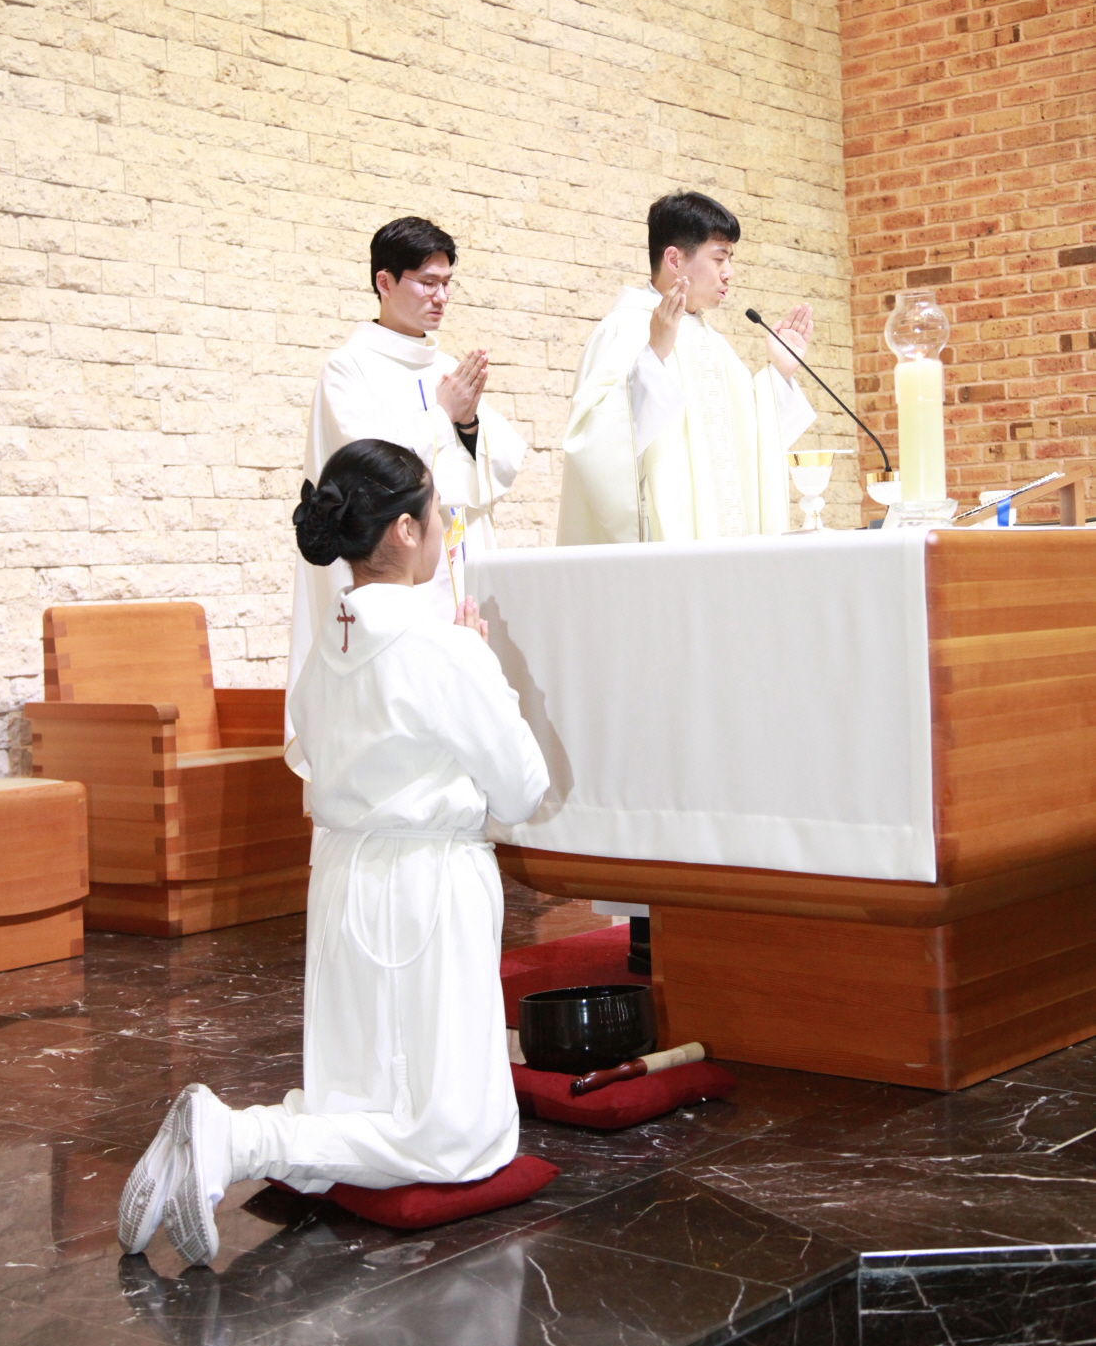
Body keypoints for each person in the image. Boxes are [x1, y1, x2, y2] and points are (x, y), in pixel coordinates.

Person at [118, 440, 548, 1268]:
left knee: (359, 1092)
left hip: (344, 877)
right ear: (404, 530)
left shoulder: (327, 647)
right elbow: (523, 788)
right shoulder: (440, 647)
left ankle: (219, 1145)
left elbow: (316, 752)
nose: (441, 530)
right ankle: (234, 1137)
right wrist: (482, 665)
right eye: (436, 514)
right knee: (456, 1138)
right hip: (425, 885)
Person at [287, 216, 527, 746]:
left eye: (447, 283)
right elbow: (366, 469)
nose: (441, 296)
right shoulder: (348, 370)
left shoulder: (446, 368)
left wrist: (468, 423)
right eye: (427, 282)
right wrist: (442, 416)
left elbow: (505, 462)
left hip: (455, 558)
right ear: (385, 282)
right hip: (393, 568)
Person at [557, 191, 818, 545]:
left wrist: (780, 373)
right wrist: (654, 356)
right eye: (719, 258)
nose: (729, 273)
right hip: (664, 552)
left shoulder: (714, 343)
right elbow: (595, 445)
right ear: (674, 259)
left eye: (730, 259)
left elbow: (746, 443)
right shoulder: (624, 329)